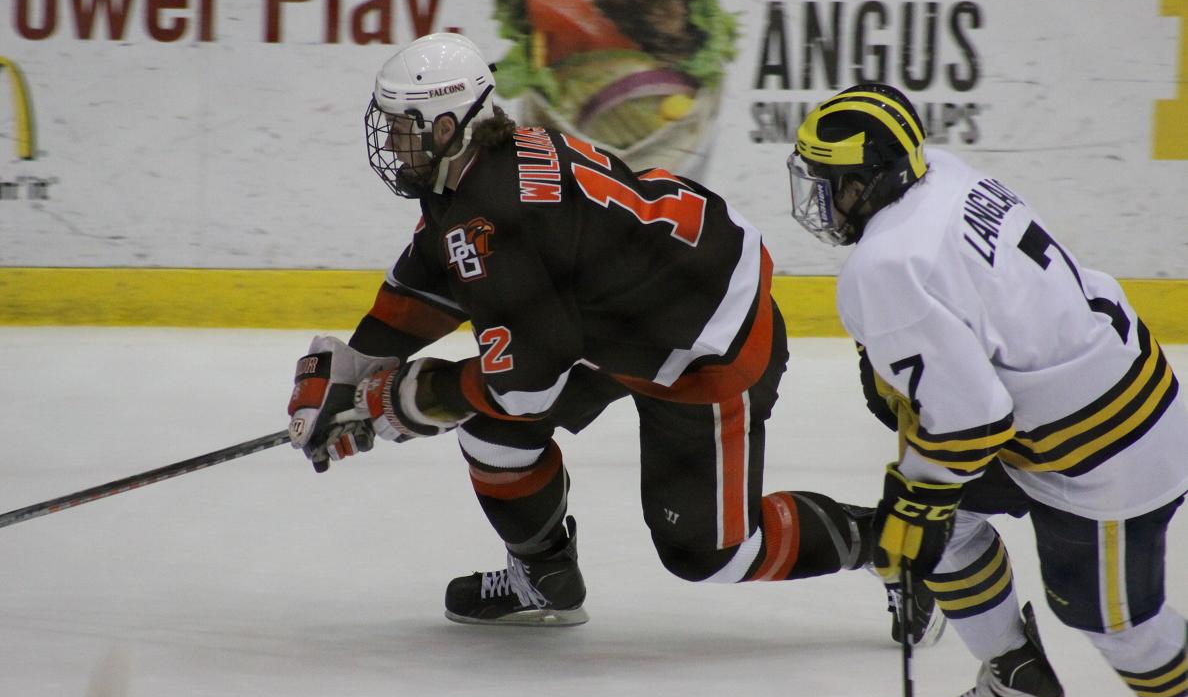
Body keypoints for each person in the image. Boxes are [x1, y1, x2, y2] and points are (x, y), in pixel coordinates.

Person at [284, 32, 940, 642]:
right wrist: (351, 368)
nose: (393, 144)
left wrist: (399, 400)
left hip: (704, 350)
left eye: (405, 130)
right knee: (490, 434)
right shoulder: (478, 173)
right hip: (610, 325)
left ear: (450, 126)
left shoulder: (500, 212)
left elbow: (524, 391)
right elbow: (429, 276)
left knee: (707, 553)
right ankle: (545, 580)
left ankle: (890, 541)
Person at [788, 82, 1188, 697]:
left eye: (838, 183)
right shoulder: (941, 172)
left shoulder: (885, 264)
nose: (824, 200)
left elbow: (972, 418)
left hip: (1109, 452)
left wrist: (918, 494)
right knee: (939, 527)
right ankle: (1016, 674)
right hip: (1073, 408)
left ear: (876, 178)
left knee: (1117, 625)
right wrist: (920, 498)